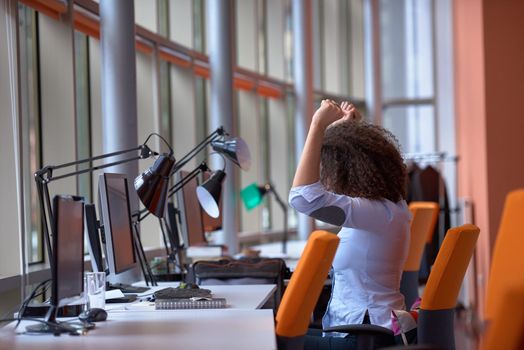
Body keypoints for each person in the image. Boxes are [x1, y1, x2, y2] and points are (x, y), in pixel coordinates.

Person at [288, 100, 411, 349]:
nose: (327, 177)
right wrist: (347, 132)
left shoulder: (377, 212)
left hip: (363, 335)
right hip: (368, 330)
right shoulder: (388, 208)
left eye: (329, 168)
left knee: (271, 339)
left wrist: (317, 126)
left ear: (347, 170)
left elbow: (302, 198)